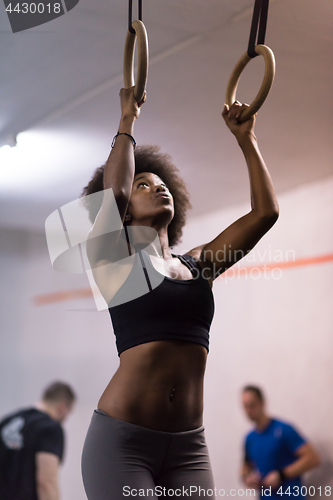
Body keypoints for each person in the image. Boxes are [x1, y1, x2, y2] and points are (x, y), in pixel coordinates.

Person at [80, 87, 279, 500]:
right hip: (122, 444)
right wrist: (127, 119)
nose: (158, 188)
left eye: (160, 183)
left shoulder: (199, 264)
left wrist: (248, 140)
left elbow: (265, 213)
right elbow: (111, 196)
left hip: (188, 446)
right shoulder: (114, 263)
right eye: (143, 185)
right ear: (127, 213)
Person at [241, 385, 321, 499]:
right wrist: (247, 477)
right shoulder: (250, 438)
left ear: (262, 402)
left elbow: (313, 458)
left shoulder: (283, 429)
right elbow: (245, 466)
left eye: (252, 405)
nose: (248, 411)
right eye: (245, 406)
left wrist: (282, 475)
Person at [0, 381, 76, 500]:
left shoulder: (7, 422)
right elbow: (46, 482)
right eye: (68, 412)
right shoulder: (50, 429)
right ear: (62, 407)